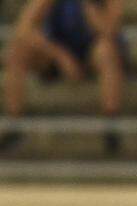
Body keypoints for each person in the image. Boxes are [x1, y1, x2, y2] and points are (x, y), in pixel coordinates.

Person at [2, 0, 125, 150]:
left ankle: (111, 124)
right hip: (59, 51)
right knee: (17, 52)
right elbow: (24, 29)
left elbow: (112, 31)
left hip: (93, 51)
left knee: (106, 51)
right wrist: (60, 56)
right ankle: (15, 125)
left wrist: (92, 14)